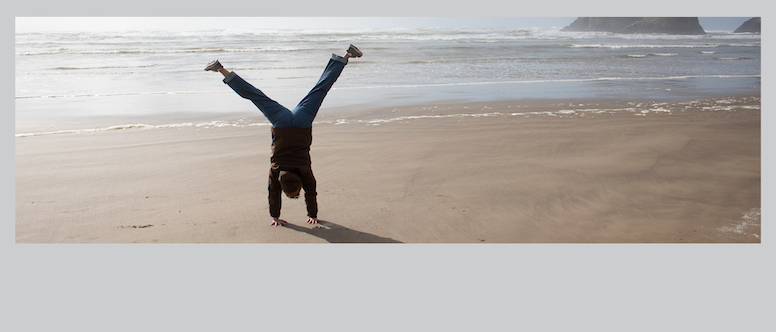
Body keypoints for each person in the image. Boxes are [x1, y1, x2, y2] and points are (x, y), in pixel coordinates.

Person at [205, 44, 363, 226]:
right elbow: (273, 193)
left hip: (302, 122)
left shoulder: (305, 172)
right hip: (281, 123)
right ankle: (220, 69)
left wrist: (313, 214)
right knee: (256, 96)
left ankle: (348, 54)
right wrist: (275, 216)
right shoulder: (276, 171)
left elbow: (311, 192)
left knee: (320, 89)